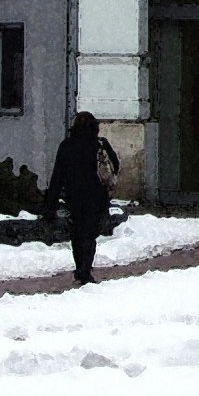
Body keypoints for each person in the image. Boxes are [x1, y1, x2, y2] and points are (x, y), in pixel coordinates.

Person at [45, 111, 117, 285]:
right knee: (90, 234)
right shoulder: (99, 144)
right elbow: (115, 163)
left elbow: (57, 176)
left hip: (74, 196)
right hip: (96, 196)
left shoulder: (67, 145)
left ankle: (80, 268)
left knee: (77, 234)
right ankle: (86, 269)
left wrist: (50, 203)